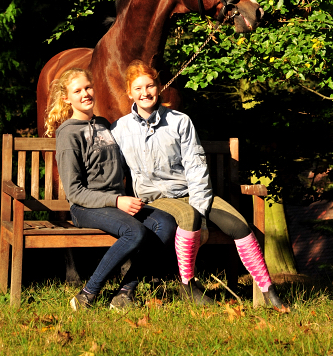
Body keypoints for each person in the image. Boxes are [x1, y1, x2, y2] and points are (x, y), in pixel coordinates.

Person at [110, 60, 289, 308]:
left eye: (150, 86)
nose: (145, 93)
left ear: (159, 87)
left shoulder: (180, 121)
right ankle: (188, 286)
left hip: (192, 191)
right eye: (138, 88)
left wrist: (201, 206)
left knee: (239, 225)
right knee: (188, 216)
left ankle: (268, 292)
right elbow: (113, 171)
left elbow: (195, 166)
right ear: (130, 92)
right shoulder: (120, 128)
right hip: (156, 199)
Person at [45, 67, 177, 310]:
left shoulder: (105, 124)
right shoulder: (68, 134)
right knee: (135, 232)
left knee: (166, 223)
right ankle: (87, 295)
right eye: (77, 91)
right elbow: (74, 191)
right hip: (86, 207)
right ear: (67, 98)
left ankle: (125, 293)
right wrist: (116, 201)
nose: (85, 94)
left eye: (88, 87)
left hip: (118, 203)